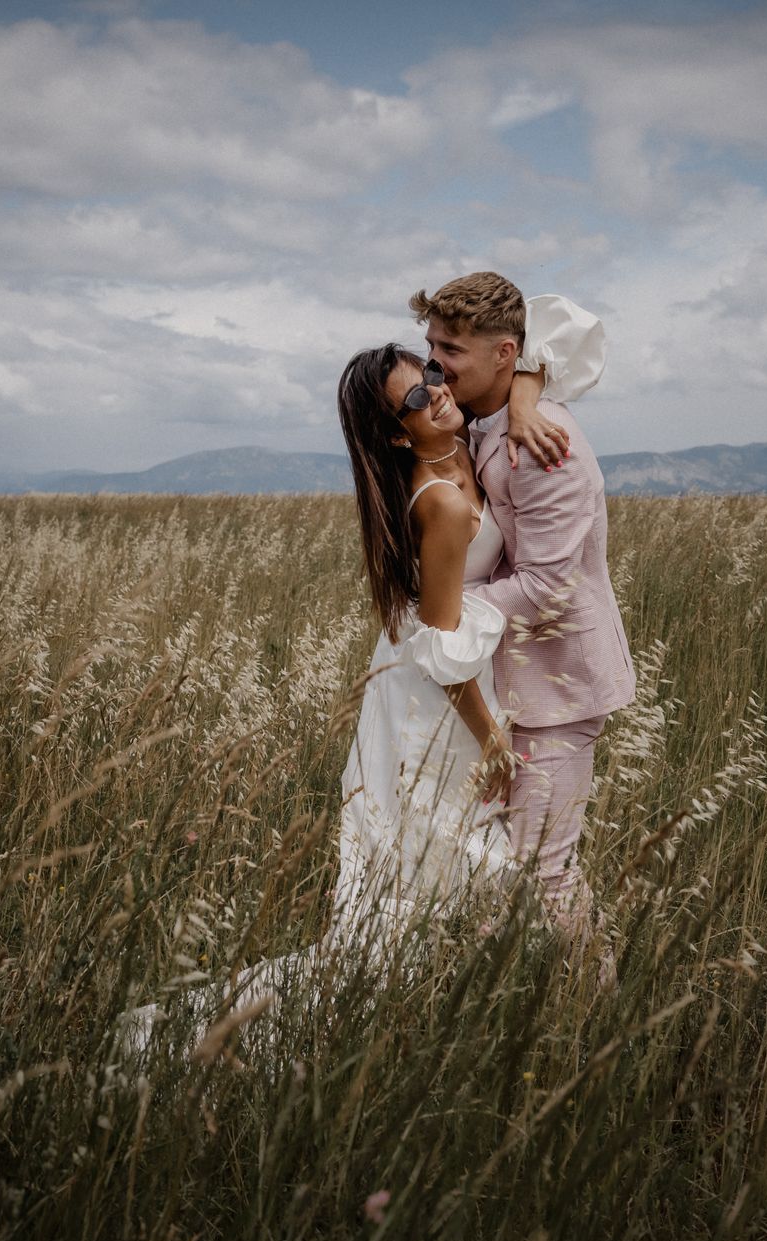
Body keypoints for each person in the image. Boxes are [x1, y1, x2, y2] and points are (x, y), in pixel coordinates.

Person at [119, 299, 603, 1054]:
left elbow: (546, 330)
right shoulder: (441, 501)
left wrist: (529, 390)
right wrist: (494, 740)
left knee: (453, 879)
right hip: (436, 703)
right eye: (417, 395)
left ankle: (462, 1018)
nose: (438, 390)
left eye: (436, 374)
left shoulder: (468, 444)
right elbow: (442, 651)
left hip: (437, 686)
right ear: (393, 430)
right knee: (451, 880)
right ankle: (273, 1033)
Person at [413, 271, 635, 985]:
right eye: (431, 344)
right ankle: (512, 1002)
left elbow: (545, 585)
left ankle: (596, 1015)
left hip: (558, 691)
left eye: (452, 348)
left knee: (545, 873)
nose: (434, 363)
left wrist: (445, 617)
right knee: (495, 873)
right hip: (505, 687)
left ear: (506, 354)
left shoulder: (546, 447)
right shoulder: (488, 418)